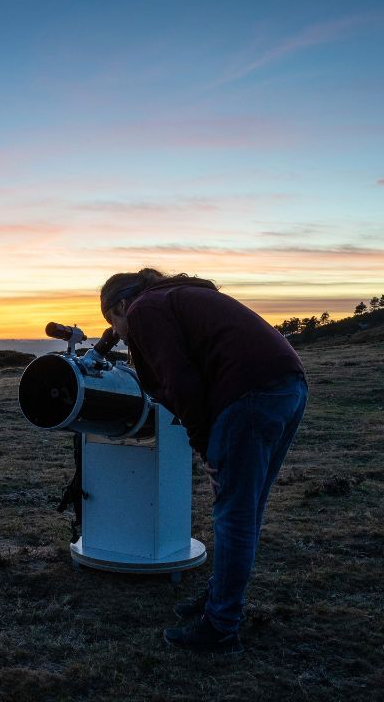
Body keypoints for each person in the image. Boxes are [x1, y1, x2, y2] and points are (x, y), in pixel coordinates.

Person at [100, 268, 307, 654]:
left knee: (233, 515)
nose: (118, 331)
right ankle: (218, 598)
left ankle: (221, 626)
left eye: (112, 321)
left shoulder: (146, 308)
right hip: (288, 386)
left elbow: (180, 382)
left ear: (122, 306)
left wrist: (204, 444)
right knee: (247, 508)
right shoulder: (176, 296)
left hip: (249, 394)